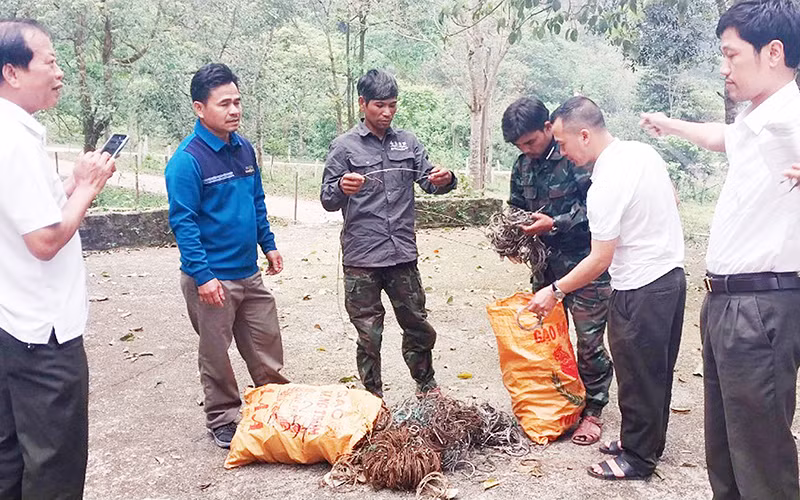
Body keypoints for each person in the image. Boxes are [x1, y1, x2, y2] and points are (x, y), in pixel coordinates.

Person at [640, 1, 800, 497]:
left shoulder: (790, 118)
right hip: (727, 303)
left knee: (761, 460)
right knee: (727, 451)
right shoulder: (759, 119)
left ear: (773, 52)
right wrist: (670, 123)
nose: (724, 67)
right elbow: (721, 138)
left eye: (732, 55)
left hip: (761, 306)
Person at [528, 96, 686, 480]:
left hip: (641, 286)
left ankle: (637, 458)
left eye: (563, 144)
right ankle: (645, 441)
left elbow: (599, 259)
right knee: (654, 371)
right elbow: (673, 201)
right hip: (670, 277)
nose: (562, 153)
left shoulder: (605, 183)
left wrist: (554, 291)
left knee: (636, 373)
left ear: (584, 134)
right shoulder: (641, 153)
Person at [0, 19, 116, 499]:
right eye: (49, 61)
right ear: (11, 72)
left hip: (11, 322)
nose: (60, 71)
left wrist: (75, 181)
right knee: (55, 464)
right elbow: (45, 240)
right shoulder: (14, 140)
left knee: (9, 456)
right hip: (43, 336)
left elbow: (29, 211)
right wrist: (87, 190)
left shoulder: (14, 132)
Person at [165, 63, 289, 449]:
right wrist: (203, 277)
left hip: (247, 272)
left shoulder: (244, 148)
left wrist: (267, 243)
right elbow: (183, 223)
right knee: (215, 352)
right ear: (199, 108)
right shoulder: (187, 160)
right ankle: (222, 416)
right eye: (224, 104)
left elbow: (256, 201)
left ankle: (276, 405)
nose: (234, 110)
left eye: (237, 102)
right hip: (211, 277)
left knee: (265, 341)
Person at [320, 69, 457, 398]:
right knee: (369, 334)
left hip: (401, 256)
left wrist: (446, 179)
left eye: (393, 105)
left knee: (417, 324)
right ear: (362, 103)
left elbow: (429, 180)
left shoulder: (407, 142)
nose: (387, 112)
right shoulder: (343, 147)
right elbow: (327, 199)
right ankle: (372, 396)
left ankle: (426, 384)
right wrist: (341, 186)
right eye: (380, 105)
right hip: (362, 258)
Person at [501, 96, 613, 446]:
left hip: (585, 266)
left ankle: (593, 410)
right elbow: (517, 208)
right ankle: (562, 401)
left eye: (531, 141)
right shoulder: (522, 166)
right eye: (519, 145)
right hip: (545, 270)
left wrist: (556, 224)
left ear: (548, 127)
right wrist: (515, 239)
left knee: (589, 341)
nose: (527, 149)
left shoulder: (576, 159)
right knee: (550, 340)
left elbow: (598, 209)